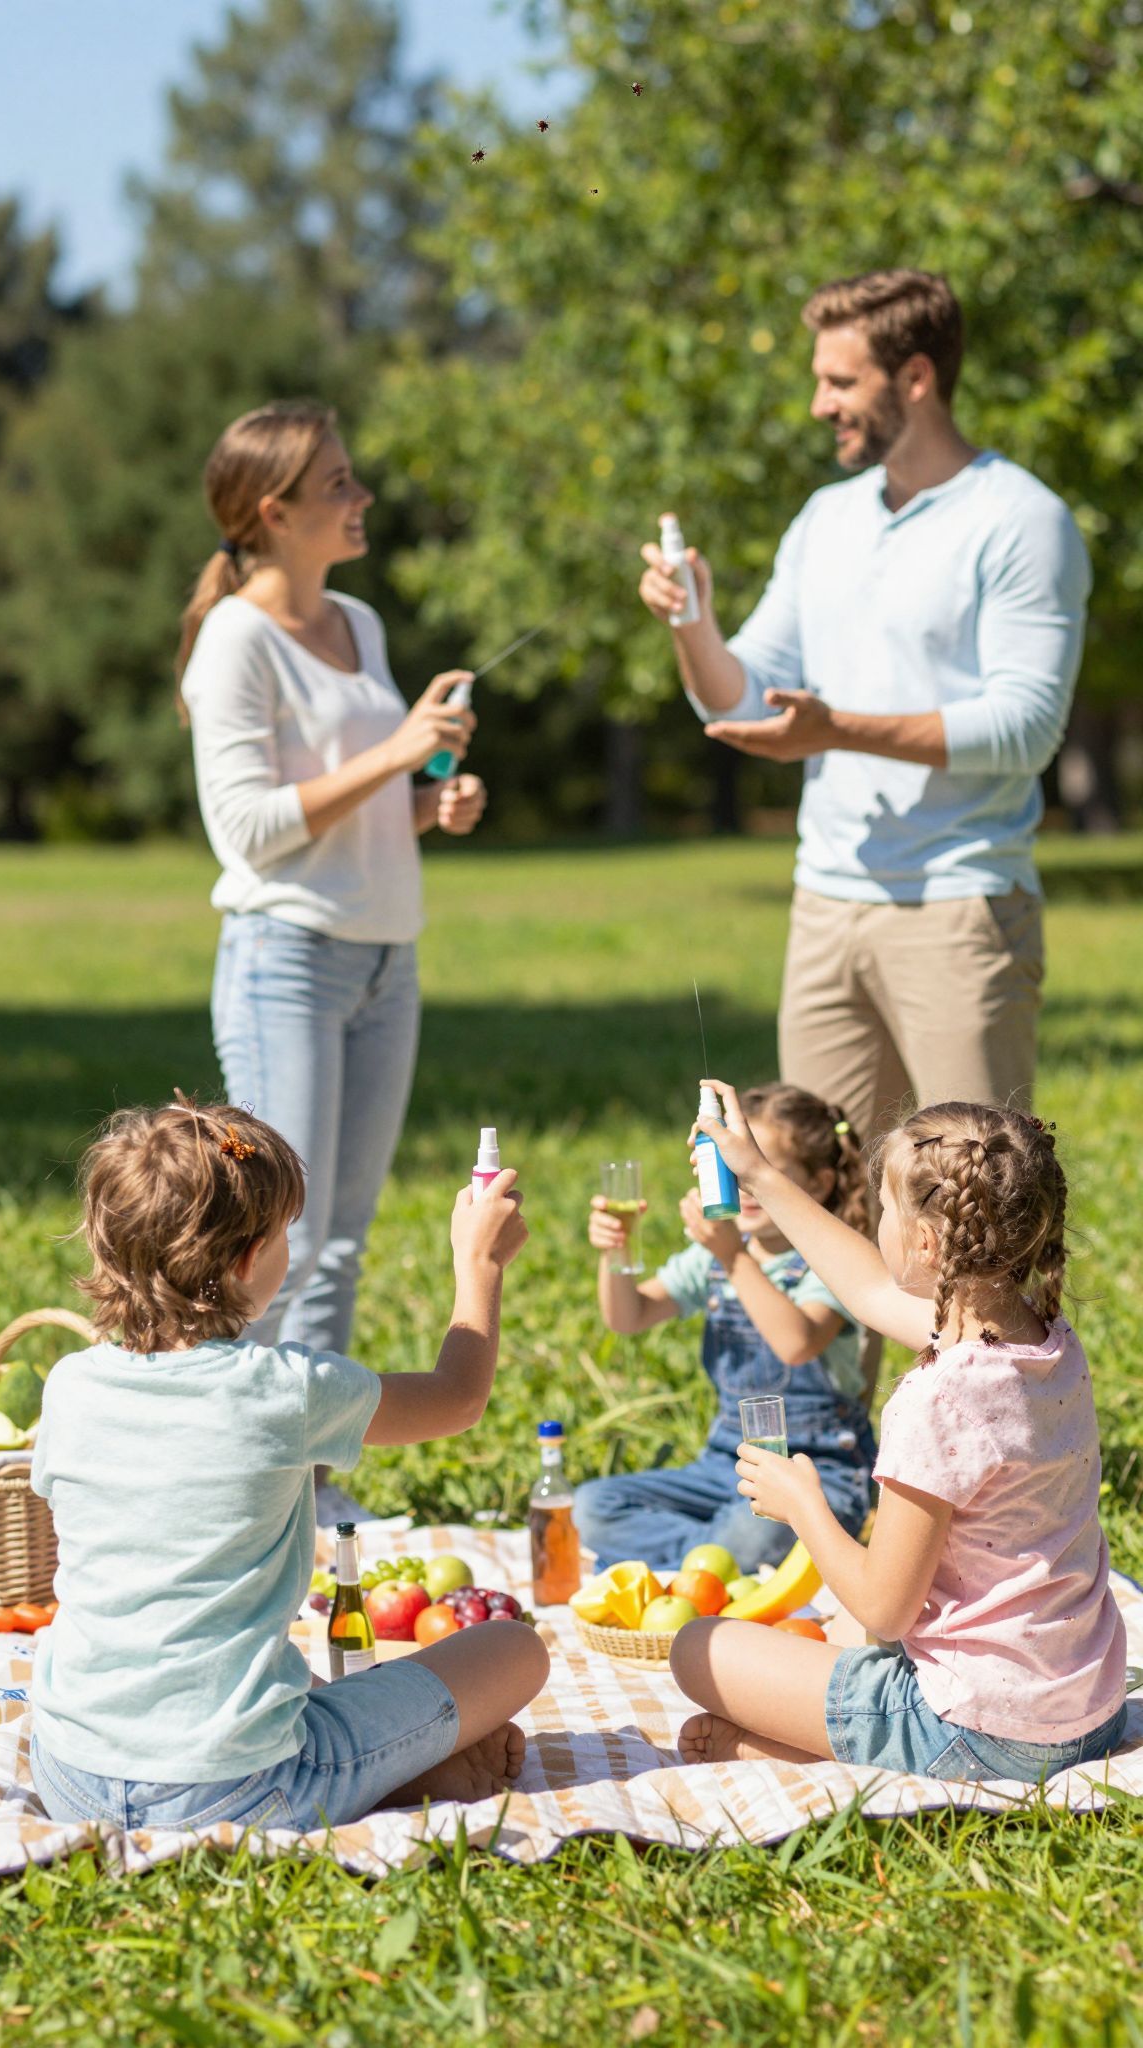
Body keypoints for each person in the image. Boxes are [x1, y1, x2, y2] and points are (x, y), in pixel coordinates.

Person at [638, 270, 1091, 1167]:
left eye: (840, 382)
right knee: (824, 1197)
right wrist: (692, 621)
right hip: (827, 904)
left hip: (959, 909)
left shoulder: (1021, 520)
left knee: (975, 1205)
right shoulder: (825, 519)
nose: (818, 405)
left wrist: (837, 728)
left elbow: (1026, 727)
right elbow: (740, 693)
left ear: (914, 378)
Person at [28, 1097, 549, 1832]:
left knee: (300, 1678)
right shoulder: (283, 1390)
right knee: (513, 1648)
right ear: (246, 1261)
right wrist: (479, 1264)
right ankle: (388, 1777)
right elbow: (458, 1398)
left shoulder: (71, 1385)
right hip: (236, 1787)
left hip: (71, 1772)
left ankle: (400, 1770)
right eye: (282, 1238)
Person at [178, 398, 483, 1524]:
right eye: (340, 485)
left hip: (383, 959)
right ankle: (240, 1498)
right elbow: (251, 829)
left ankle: (308, 1495)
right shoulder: (235, 642)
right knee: (273, 1243)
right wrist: (395, 753)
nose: (361, 498)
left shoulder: (356, 617)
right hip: (285, 959)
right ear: (277, 511)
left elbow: (351, 803)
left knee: (341, 1240)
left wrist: (423, 801)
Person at [669, 1083, 1127, 1785]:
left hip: (977, 1731)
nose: (874, 1220)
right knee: (845, 1643)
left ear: (924, 1242)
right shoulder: (1046, 1342)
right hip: (1089, 1714)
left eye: (882, 1206)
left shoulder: (934, 1399)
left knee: (699, 1649)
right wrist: (756, 1170)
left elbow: (885, 1604)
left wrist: (804, 1506)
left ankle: (804, 1754)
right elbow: (867, 1290)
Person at [574, 1085, 875, 1574]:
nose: (744, 1188)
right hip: (725, 1466)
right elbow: (628, 1317)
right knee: (590, 1507)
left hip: (819, 1473)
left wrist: (733, 1256)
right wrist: (617, 1253)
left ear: (818, 1184)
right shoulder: (714, 1257)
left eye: (761, 1172)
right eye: (732, 1171)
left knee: (750, 1533)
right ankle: (716, 1562)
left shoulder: (827, 1258)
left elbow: (797, 1344)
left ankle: (709, 1558)